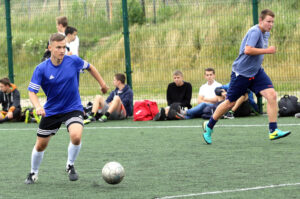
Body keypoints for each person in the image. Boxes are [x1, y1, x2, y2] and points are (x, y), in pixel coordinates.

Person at [25, 33, 109, 184]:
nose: (62, 50)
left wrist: (102, 84)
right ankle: (33, 173)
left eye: (64, 47)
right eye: (58, 47)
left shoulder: (73, 61)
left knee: (76, 136)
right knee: (41, 145)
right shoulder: (41, 69)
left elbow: (90, 67)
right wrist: (38, 106)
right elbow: (32, 92)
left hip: (73, 107)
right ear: (50, 48)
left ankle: (70, 165)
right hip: (51, 110)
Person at [202, 9, 291, 144]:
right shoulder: (255, 31)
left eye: (272, 22)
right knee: (229, 103)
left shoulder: (266, 33)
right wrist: (268, 51)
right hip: (241, 74)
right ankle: (209, 126)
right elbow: (248, 50)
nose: (271, 24)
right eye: (268, 21)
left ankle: (273, 131)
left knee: (272, 95)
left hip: (256, 72)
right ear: (261, 21)